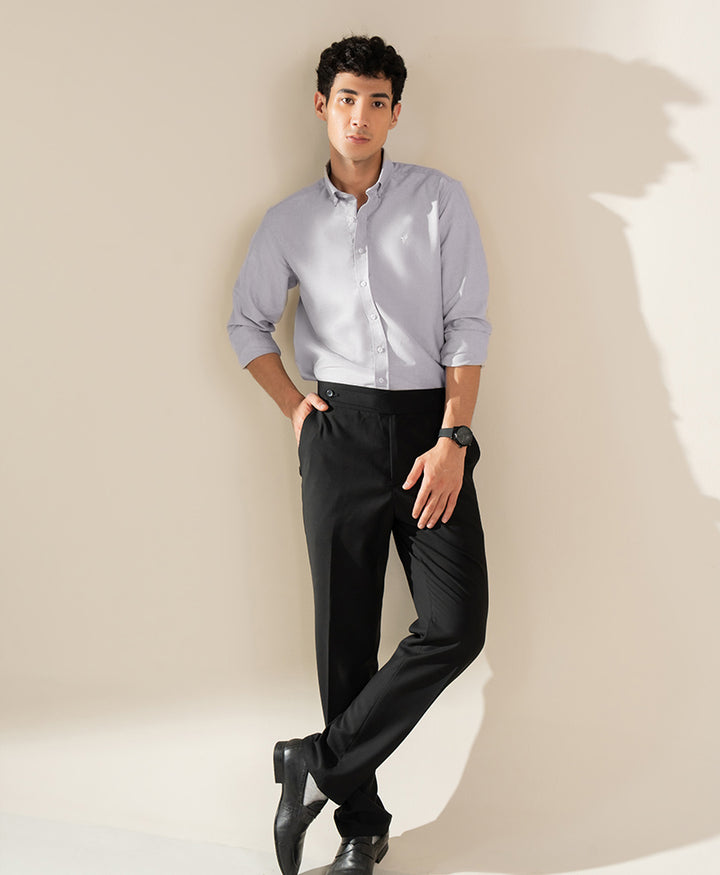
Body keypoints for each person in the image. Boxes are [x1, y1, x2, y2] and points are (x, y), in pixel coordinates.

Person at [227, 35, 490, 875]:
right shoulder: (289, 222)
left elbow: (467, 325)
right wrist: (295, 408)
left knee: (454, 625)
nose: (361, 116)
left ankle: (315, 760)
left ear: (395, 113)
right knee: (344, 636)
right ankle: (360, 826)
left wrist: (453, 436)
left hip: (427, 434)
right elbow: (246, 322)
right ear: (322, 105)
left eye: (378, 101)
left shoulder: (438, 200)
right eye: (347, 99)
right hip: (338, 429)